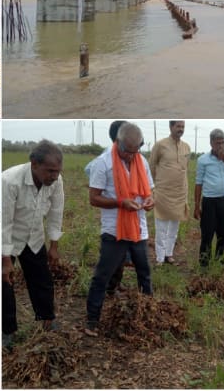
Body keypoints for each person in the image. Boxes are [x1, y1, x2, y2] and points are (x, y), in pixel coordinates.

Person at [85, 122, 155, 337]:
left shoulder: (141, 161)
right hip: (114, 230)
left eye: (136, 151)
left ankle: (149, 314)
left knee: (144, 272)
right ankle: (92, 320)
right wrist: (120, 202)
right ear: (118, 143)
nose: (131, 157)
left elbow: (149, 191)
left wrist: (151, 200)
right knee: (102, 275)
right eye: (127, 152)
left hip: (138, 228)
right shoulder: (102, 164)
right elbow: (94, 199)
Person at [2, 140, 65, 350]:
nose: (54, 176)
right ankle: (7, 332)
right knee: (4, 285)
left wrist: (54, 246)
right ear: (34, 164)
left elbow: (56, 213)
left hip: (34, 237)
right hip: (8, 237)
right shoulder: (10, 181)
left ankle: (47, 319)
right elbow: (4, 223)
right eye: (49, 171)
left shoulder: (56, 181)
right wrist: (5, 260)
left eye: (57, 171)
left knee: (42, 280)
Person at [85, 120, 130, 296]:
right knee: (111, 256)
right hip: (113, 214)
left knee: (122, 254)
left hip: (127, 214)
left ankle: (115, 285)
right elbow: (89, 169)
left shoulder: (129, 155)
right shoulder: (105, 159)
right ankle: (106, 289)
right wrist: (105, 185)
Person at [194, 128, 224, 267]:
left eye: (223, 142)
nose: (221, 146)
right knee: (207, 235)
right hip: (209, 202)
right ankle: (204, 265)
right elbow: (198, 183)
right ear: (211, 143)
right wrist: (197, 206)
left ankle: (219, 262)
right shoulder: (203, 160)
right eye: (217, 143)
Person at [149, 121, 191, 265]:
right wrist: (155, 187)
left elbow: (186, 168)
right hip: (163, 193)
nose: (181, 129)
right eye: (178, 126)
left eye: (183, 127)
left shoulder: (186, 147)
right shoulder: (160, 145)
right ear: (171, 127)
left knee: (174, 226)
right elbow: (152, 167)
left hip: (180, 193)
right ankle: (160, 258)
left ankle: (169, 254)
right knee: (161, 227)